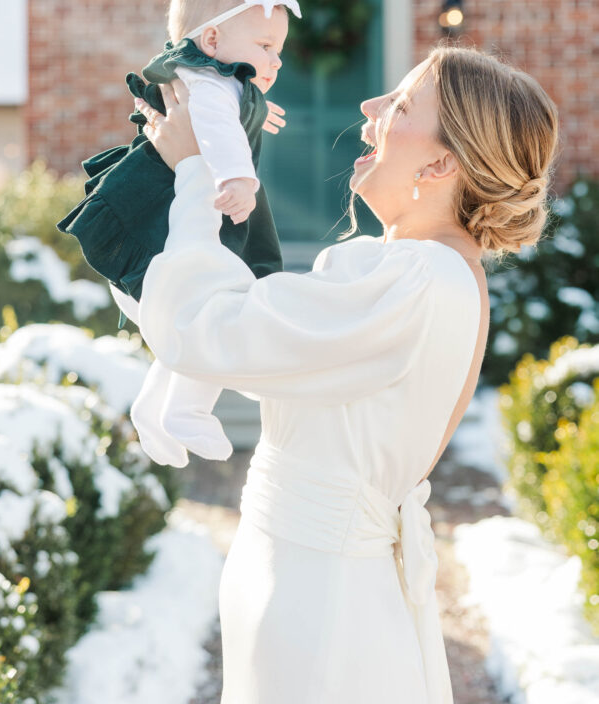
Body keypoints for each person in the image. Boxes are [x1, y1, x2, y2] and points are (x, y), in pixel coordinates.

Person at [111, 44, 559, 704]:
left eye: (401, 105)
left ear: (440, 162)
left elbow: (206, 332)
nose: (369, 109)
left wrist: (191, 172)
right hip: (305, 586)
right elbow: (252, 337)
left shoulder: (414, 280)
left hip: (319, 609)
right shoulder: (422, 273)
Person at [57, 0, 300, 466]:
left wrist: (256, 109)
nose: (275, 60)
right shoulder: (207, 84)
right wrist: (238, 178)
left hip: (167, 214)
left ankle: (154, 407)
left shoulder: (212, 76)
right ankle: (186, 409)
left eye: (277, 49)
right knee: (218, 304)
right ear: (212, 38)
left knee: (202, 310)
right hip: (180, 211)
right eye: (265, 46)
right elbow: (213, 126)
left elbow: (229, 113)